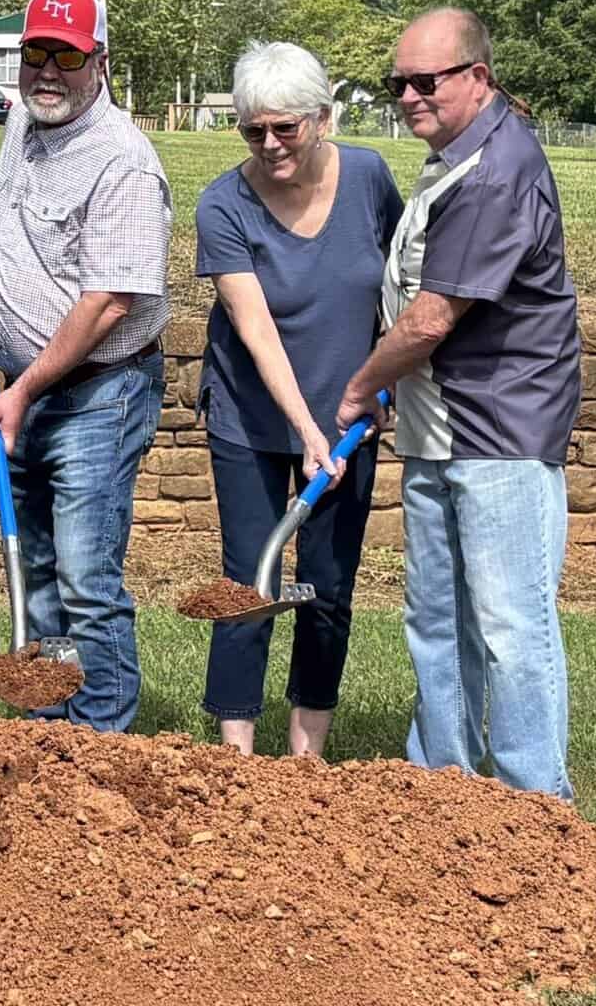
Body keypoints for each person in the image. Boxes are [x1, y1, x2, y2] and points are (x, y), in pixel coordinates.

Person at [335, 8, 580, 799]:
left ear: (476, 77)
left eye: (424, 80)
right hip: (441, 428)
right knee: (435, 621)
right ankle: (441, 791)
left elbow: (434, 316)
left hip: (499, 434)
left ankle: (535, 804)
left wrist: (359, 386)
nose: (407, 95)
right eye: (396, 82)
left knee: (511, 630)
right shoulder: (453, 155)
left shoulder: (495, 171)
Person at [0, 0, 171, 733]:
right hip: (34, 387)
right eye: (34, 52)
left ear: (99, 61)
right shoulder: (24, 118)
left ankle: (102, 741)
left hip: (95, 393)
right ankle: (49, 733)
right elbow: (2, 197)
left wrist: (24, 389)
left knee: (84, 580)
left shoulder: (122, 163)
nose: (46, 70)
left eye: (65, 56)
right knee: (39, 574)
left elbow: (108, 302)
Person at [195, 41, 404, 758]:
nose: (270, 144)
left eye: (286, 127)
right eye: (253, 129)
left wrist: (385, 380)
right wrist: (303, 428)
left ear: (322, 117)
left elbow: (399, 283)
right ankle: (234, 755)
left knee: (328, 585)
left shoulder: (370, 177)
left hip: (348, 422)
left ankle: (305, 757)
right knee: (248, 582)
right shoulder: (222, 203)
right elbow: (252, 326)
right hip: (251, 421)